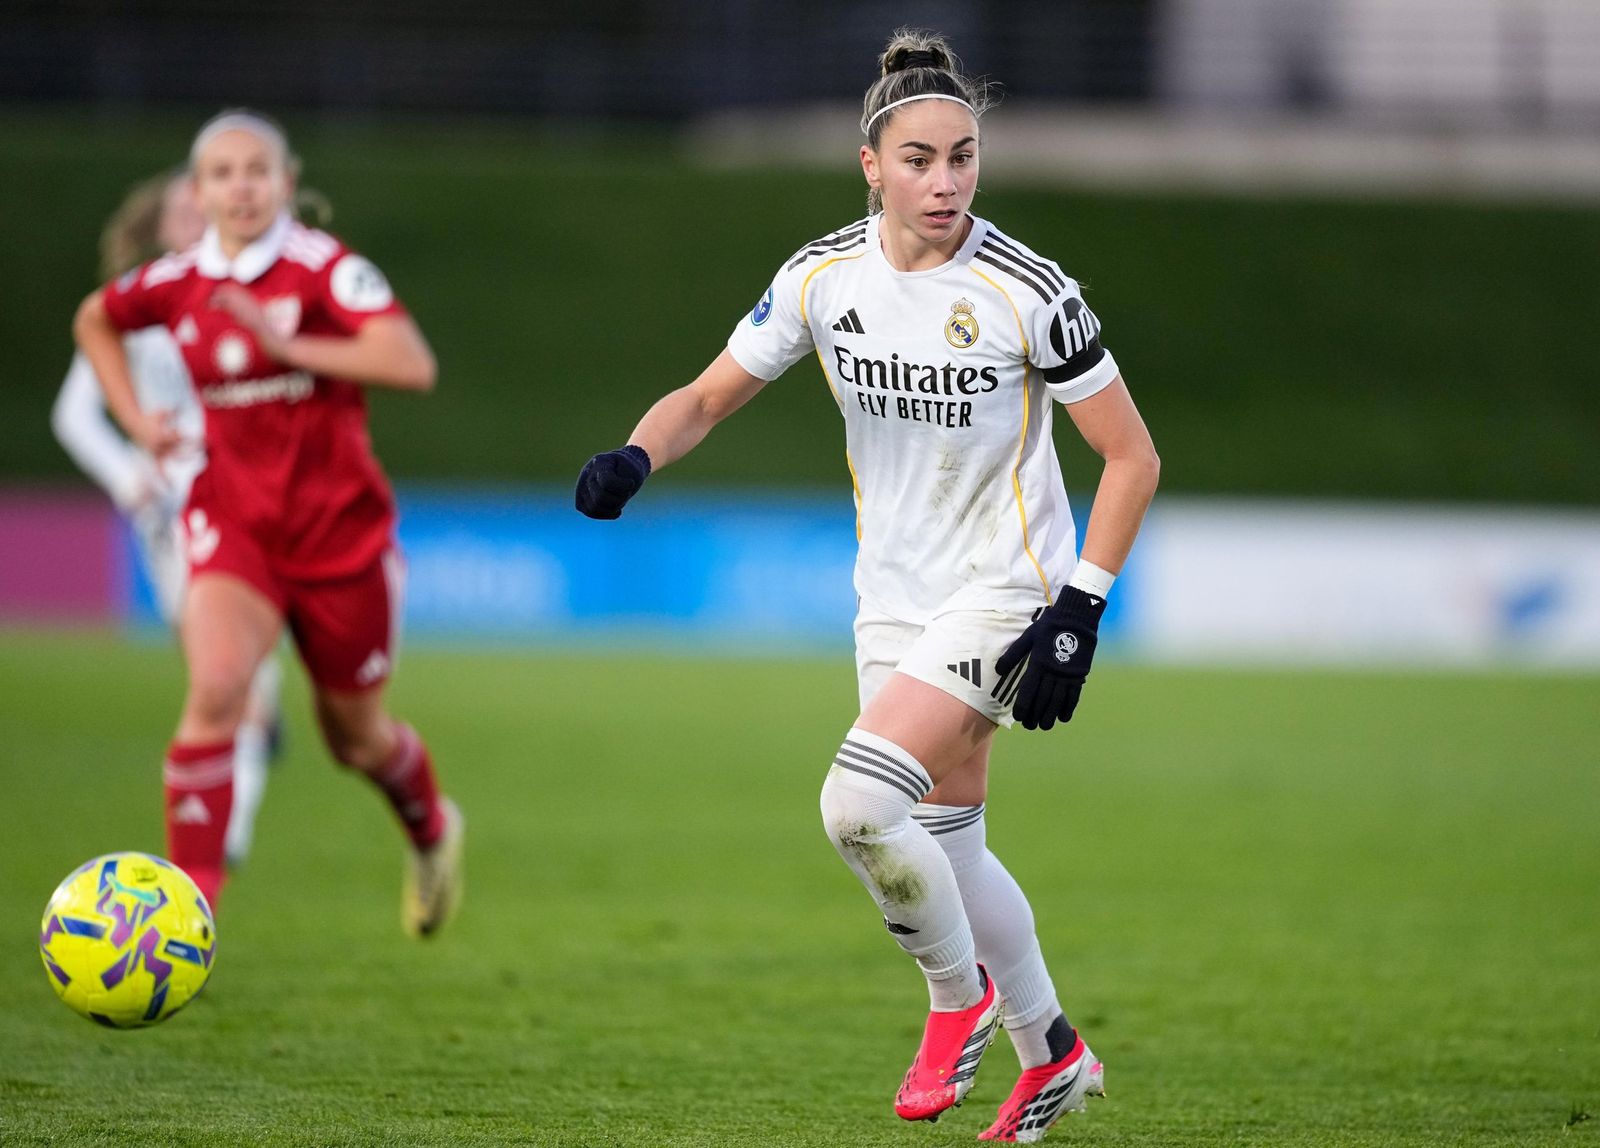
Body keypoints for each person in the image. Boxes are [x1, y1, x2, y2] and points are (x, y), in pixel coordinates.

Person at [575, 29, 1159, 1143]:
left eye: (964, 156)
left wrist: (1081, 606)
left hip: (1006, 589)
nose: (945, 182)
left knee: (855, 804)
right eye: (920, 159)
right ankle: (1054, 1053)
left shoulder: (1030, 292)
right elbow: (704, 396)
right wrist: (638, 456)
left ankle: (961, 1001)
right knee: (946, 841)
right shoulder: (820, 277)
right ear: (870, 165)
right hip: (891, 595)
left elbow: (1130, 455)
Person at [72, 109, 463, 937]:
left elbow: (410, 362)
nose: (241, 185)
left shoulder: (326, 272)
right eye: (222, 172)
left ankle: (433, 832)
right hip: (235, 528)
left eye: (257, 170)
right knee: (216, 691)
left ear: (286, 183)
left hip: (339, 537)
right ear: (199, 190)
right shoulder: (176, 280)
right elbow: (95, 319)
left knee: (355, 741)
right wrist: (138, 422)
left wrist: (288, 348)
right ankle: (190, 914)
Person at [52, 168, 283, 870]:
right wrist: (130, 474)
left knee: (244, 675)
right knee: (223, 675)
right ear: (159, 225)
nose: (201, 212)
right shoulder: (143, 306)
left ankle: (226, 833)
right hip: (177, 514)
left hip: (255, 504)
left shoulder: (258, 294)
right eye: (185, 206)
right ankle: (226, 817)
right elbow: (74, 414)